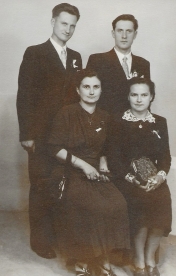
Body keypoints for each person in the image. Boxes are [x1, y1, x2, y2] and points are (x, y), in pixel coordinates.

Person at [47, 69, 130, 276]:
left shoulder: (105, 116)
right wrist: (83, 165)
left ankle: (102, 258)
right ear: (77, 90)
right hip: (69, 170)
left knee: (116, 204)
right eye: (86, 86)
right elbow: (55, 148)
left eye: (95, 87)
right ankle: (83, 262)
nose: (91, 91)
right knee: (89, 205)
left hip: (96, 172)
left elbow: (105, 149)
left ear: (101, 90)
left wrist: (102, 164)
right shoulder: (66, 113)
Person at [16, 3, 82, 259]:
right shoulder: (35, 53)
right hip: (41, 134)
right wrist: (27, 134)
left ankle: (59, 236)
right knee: (42, 184)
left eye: (73, 25)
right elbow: (25, 96)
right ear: (53, 21)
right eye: (64, 23)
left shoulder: (76, 57)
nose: (68, 29)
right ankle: (40, 241)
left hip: (66, 135)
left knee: (62, 184)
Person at [107, 78, 172, 276]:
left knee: (162, 201)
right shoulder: (117, 122)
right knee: (141, 207)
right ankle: (139, 261)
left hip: (153, 177)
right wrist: (135, 180)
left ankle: (151, 258)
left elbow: (165, 157)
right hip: (127, 179)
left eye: (144, 95)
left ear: (151, 97)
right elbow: (115, 160)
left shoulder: (159, 122)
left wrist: (160, 176)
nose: (139, 99)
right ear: (128, 96)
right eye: (134, 94)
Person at [86, 14, 150, 114]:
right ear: (113, 33)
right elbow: (87, 97)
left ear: (135, 34)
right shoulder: (97, 60)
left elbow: (146, 100)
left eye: (129, 31)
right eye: (120, 31)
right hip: (106, 124)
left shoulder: (143, 64)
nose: (124, 36)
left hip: (134, 125)